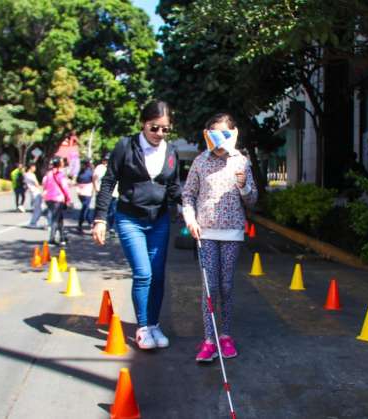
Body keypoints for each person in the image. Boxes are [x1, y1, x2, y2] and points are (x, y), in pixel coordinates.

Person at [92, 100, 181, 350]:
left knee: (159, 275)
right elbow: (109, 182)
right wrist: (100, 218)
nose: (160, 134)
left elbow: (173, 187)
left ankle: (154, 324)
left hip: (159, 220)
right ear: (144, 123)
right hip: (130, 219)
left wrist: (189, 207)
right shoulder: (125, 146)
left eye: (165, 129)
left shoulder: (171, 151)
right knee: (144, 273)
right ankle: (142, 328)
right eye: (155, 128)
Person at [182, 113, 258, 362]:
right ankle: (208, 340)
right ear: (207, 135)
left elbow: (252, 199)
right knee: (210, 287)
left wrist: (244, 186)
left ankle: (225, 336)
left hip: (233, 232)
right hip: (205, 233)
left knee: (226, 286)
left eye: (224, 132)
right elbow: (188, 195)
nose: (219, 138)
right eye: (214, 132)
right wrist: (190, 219)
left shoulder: (241, 161)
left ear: (233, 134)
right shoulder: (200, 161)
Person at [43, 157, 71, 246]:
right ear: (59, 164)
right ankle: (52, 239)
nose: (63, 163)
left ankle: (62, 237)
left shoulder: (49, 174)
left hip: (49, 199)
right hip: (58, 199)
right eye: (62, 162)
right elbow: (65, 187)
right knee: (55, 219)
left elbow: (45, 185)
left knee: (59, 218)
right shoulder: (60, 174)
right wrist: (68, 199)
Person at [92, 153, 118, 234]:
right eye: (105, 160)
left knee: (112, 211)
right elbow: (94, 177)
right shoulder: (100, 167)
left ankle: (111, 227)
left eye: (108, 160)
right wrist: (96, 187)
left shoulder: (115, 167)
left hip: (114, 193)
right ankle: (97, 225)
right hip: (102, 193)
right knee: (101, 210)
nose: (106, 162)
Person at [76, 159, 94, 232]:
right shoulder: (90, 172)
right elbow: (93, 180)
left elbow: (77, 180)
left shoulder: (80, 172)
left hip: (80, 192)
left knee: (86, 208)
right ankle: (80, 225)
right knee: (85, 209)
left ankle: (91, 224)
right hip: (87, 192)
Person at [24, 163, 45, 228]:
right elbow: (36, 184)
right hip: (36, 193)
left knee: (38, 208)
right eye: (34, 167)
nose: (35, 169)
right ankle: (33, 223)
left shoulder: (25, 175)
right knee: (39, 209)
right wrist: (42, 190)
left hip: (32, 192)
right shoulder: (31, 175)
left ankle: (33, 222)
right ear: (31, 167)